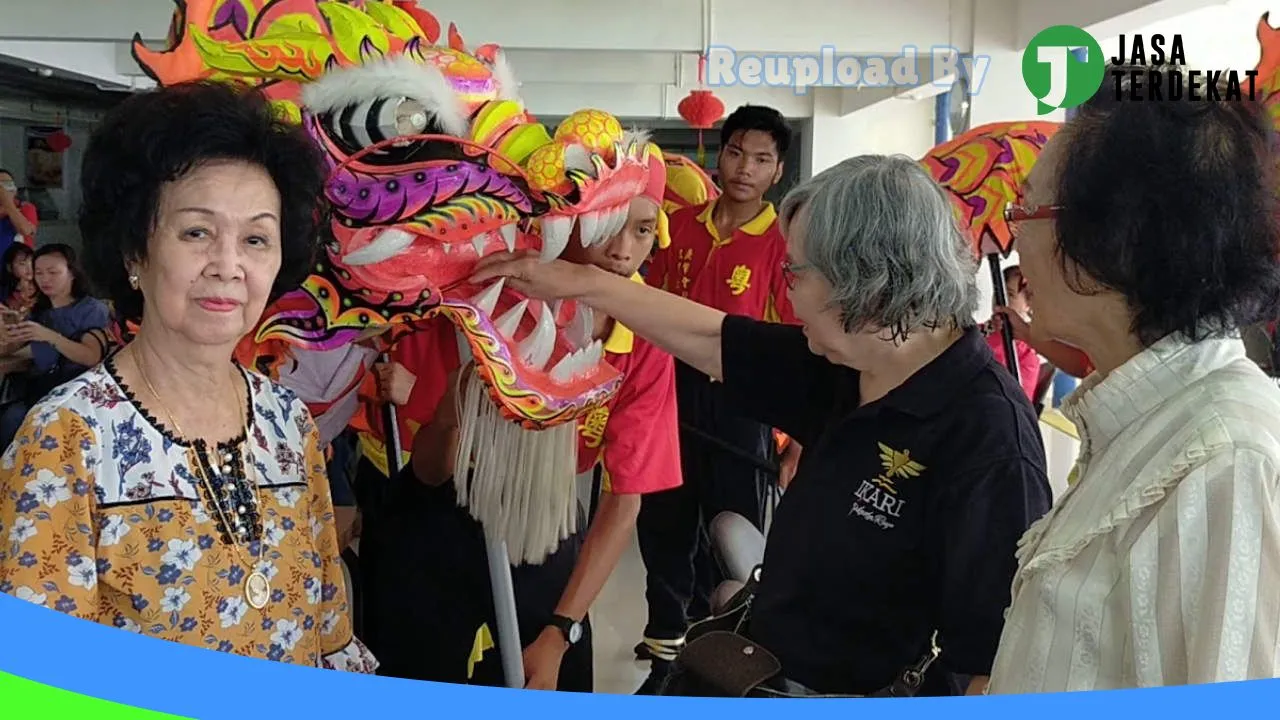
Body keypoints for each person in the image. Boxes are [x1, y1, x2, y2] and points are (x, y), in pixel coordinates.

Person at [471, 154, 1053, 697]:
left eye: (796, 273)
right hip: (764, 669)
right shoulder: (853, 364)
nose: (786, 291)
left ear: (864, 283)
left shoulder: (987, 440)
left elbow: (989, 666)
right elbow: (712, 338)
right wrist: (580, 284)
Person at [0, 81, 375, 672]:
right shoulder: (66, 436)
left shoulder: (287, 420)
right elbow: (43, 678)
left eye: (255, 238)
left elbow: (327, 627)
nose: (228, 265)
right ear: (134, 253)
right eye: (196, 232)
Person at [987, 67, 1280, 692]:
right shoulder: (1141, 419)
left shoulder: (1221, 460)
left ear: (1111, 235)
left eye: (1025, 210)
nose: (1016, 243)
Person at [363, 150, 682, 692]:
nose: (623, 252)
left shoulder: (646, 338)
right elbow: (433, 470)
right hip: (438, 504)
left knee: (553, 673)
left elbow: (626, 497)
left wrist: (561, 631)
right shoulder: (492, 295)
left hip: (544, 516)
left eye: (643, 231)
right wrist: (458, 412)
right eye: (607, 228)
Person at [637, 105, 800, 681]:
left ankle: (725, 657)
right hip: (669, 397)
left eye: (760, 159)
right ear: (719, 154)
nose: (744, 169)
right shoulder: (678, 227)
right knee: (662, 525)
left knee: (733, 535)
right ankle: (663, 647)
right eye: (736, 153)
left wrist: (798, 443)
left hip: (741, 407)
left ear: (777, 170)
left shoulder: (784, 245)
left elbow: (799, 345)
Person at [0, 244, 111, 451]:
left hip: (78, 395)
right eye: (39, 273)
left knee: (13, 420)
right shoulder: (40, 312)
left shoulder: (91, 309)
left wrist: (47, 335)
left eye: (53, 272)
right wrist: (11, 330)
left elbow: (91, 356)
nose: (45, 279)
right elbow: (19, 352)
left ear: (72, 274)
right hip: (41, 391)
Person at [984, 265, 1041, 401]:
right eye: (997, 291)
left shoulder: (1026, 356)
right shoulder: (975, 331)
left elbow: (1020, 403)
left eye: (1009, 294)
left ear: (1028, 304)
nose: (1000, 299)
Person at [0, 168, 37, 259]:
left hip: (18, 265)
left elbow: (25, 230)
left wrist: (8, 203)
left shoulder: (26, 207)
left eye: (8, 184)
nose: (3, 190)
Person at [0, 242, 35, 316]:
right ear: (9, 267)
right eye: (22, 263)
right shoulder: (4, 289)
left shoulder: (40, 285)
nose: (29, 268)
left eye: (32, 262)